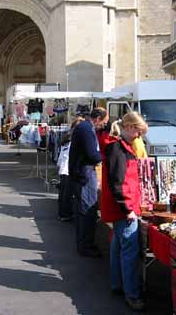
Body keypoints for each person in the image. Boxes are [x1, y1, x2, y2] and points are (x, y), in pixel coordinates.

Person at [102, 112, 148, 311]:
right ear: (129, 127)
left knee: (117, 246)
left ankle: (117, 284)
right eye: (138, 131)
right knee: (129, 250)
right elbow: (118, 183)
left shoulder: (120, 147)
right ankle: (132, 294)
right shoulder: (119, 149)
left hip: (123, 207)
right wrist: (128, 208)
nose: (139, 135)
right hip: (125, 208)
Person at [69, 107, 108, 257]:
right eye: (103, 122)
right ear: (97, 118)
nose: (103, 125)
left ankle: (84, 244)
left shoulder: (85, 127)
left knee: (85, 210)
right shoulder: (86, 128)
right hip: (84, 174)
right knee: (87, 210)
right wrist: (105, 157)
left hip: (82, 173)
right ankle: (86, 245)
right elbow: (93, 154)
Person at [57, 117, 84, 222]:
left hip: (64, 168)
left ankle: (62, 213)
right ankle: (65, 214)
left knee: (63, 192)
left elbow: (62, 155)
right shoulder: (74, 140)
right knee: (67, 193)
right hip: (68, 169)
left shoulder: (67, 138)